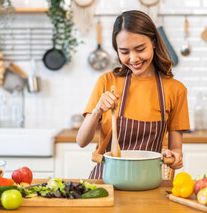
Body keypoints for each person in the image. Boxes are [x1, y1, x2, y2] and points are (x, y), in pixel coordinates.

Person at [77, 10, 190, 179]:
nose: (133, 58)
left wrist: (175, 158)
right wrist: (97, 111)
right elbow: (81, 141)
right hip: (106, 181)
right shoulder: (107, 82)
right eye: (124, 52)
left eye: (140, 49)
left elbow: (176, 150)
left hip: (148, 182)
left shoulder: (175, 89)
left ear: (153, 42)